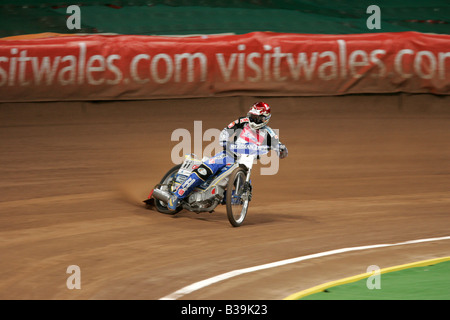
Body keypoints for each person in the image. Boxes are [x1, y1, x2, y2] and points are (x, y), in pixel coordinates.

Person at [167, 101, 288, 210]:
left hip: (244, 161)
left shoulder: (269, 133)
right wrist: (224, 141)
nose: (252, 119)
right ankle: (176, 196)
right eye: (251, 116)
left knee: (244, 192)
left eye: (256, 117)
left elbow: (279, 145)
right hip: (228, 154)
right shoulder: (242, 121)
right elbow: (226, 130)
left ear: (264, 119)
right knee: (205, 170)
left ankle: (217, 197)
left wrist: (282, 150)